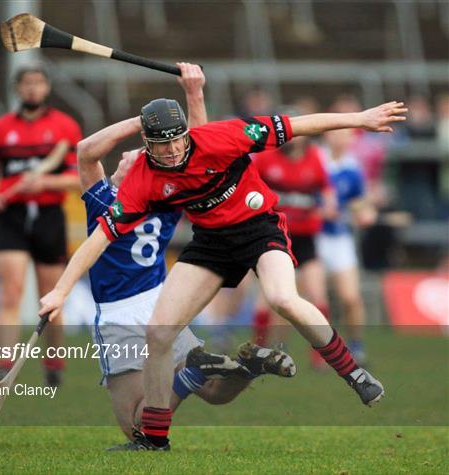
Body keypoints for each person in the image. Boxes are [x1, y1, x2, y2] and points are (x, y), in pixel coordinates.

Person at [39, 98, 407, 450]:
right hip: (211, 242)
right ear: (147, 144)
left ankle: (353, 373)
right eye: (160, 145)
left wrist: (359, 118)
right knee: (159, 331)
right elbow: (98, 238)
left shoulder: (222, 136)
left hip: (259, 228)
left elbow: (296, 126)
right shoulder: (143, 179)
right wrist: (60, 291)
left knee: (282, 298)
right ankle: (154, 438)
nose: (170, 151)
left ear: (185, 133)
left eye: (175, 141)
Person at [76, 63, 296, 449]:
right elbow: (198, 146)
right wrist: (158, 118)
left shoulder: (104, 198)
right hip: (161, 302)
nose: (137, 153)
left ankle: (192, 377)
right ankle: (246, 367)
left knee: (135, 426)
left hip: (120, 314)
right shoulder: (169, 194)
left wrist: (149, 123)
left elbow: (87, 151)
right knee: (214, 391)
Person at [0, 63, 82, 386]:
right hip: (11, 216)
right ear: (17, 88)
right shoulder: (1, 129)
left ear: (47, 88)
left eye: (38, 82)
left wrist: (44, 183)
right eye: (27, 83)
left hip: (50, 218)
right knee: (10, 293)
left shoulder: (66, 128)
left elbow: (77, 178)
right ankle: (5, 364)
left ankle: (53, 362)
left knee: (49, 298)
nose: (33, 88)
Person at [251, 114, 337, 370]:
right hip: (275, 237)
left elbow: (326, 189)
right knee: (267, 298)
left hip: (305, 237)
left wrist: (329, 206)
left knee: (317, 294)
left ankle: (321, 354)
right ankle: (259, 349)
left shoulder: (314, 160)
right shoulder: (266, 159)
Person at [316, 128, 378, 365]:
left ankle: (356, 346)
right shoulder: (315, 160)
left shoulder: (352, 168)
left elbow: (359, 203)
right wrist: (319, 211)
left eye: (348, 135)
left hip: (339, 238)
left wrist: (366, 213)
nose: (344, 139)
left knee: (351, 297)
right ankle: (318, 351)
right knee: (315, 299)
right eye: (338, 133)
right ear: (327, 135)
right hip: (312, 237)